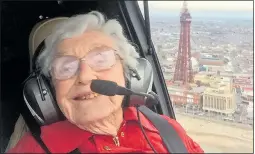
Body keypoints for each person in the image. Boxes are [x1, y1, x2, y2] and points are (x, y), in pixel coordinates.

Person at [8, 11, 204, 153]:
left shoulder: (167, 129)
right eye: (66, 68)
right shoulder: (34, 149)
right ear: (49, 93)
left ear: (130, 74)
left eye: (101, 60)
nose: (85, 77)